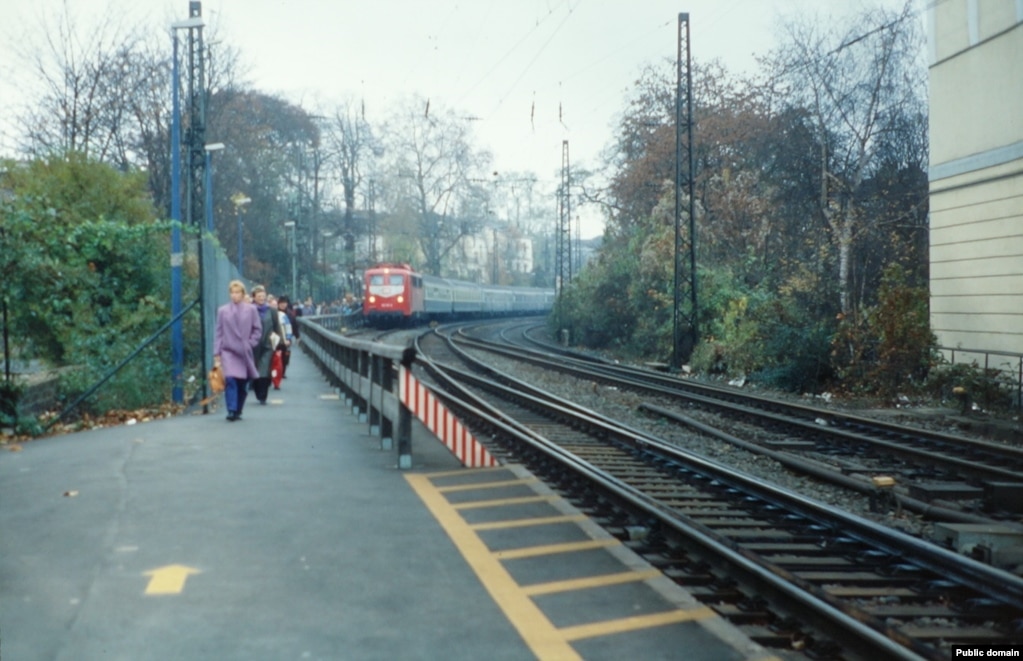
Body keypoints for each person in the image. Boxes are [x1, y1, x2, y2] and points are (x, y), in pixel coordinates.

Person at [213, 280, 262, 422]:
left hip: (244, 352)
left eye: (237, 292)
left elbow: (257, 329)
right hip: (228, 351)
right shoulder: (222, 311)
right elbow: (219, 333)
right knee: (230, 380)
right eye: (232, 292)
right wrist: (217, 353)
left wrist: (250, 343)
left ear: (243, 293)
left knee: (242, 383)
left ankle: (238, 408)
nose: (234, 295)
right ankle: (231, 410)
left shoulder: (251, 309)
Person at [250, 285, 284, 405]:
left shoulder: (272, 311)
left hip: (268, 344)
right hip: (253, 345)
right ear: (253, 297)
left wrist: (279, 342)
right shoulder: (249, 310)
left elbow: (277, 327)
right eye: (259, 296)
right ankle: (257, 389)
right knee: (254, 369)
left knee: (265, 369)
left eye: (263, 296)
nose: (262, 298)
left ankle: (263, 395)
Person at [276, 295, 297, 380]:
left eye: (284, 303)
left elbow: (294, 326)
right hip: (277, 338)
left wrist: (296, 336)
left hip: (287, 338)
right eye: (281, 303)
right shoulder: (275, 312)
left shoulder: (290, 314)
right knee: (277, 356)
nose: (283, 305)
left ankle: (283, 372)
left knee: (285, 356)